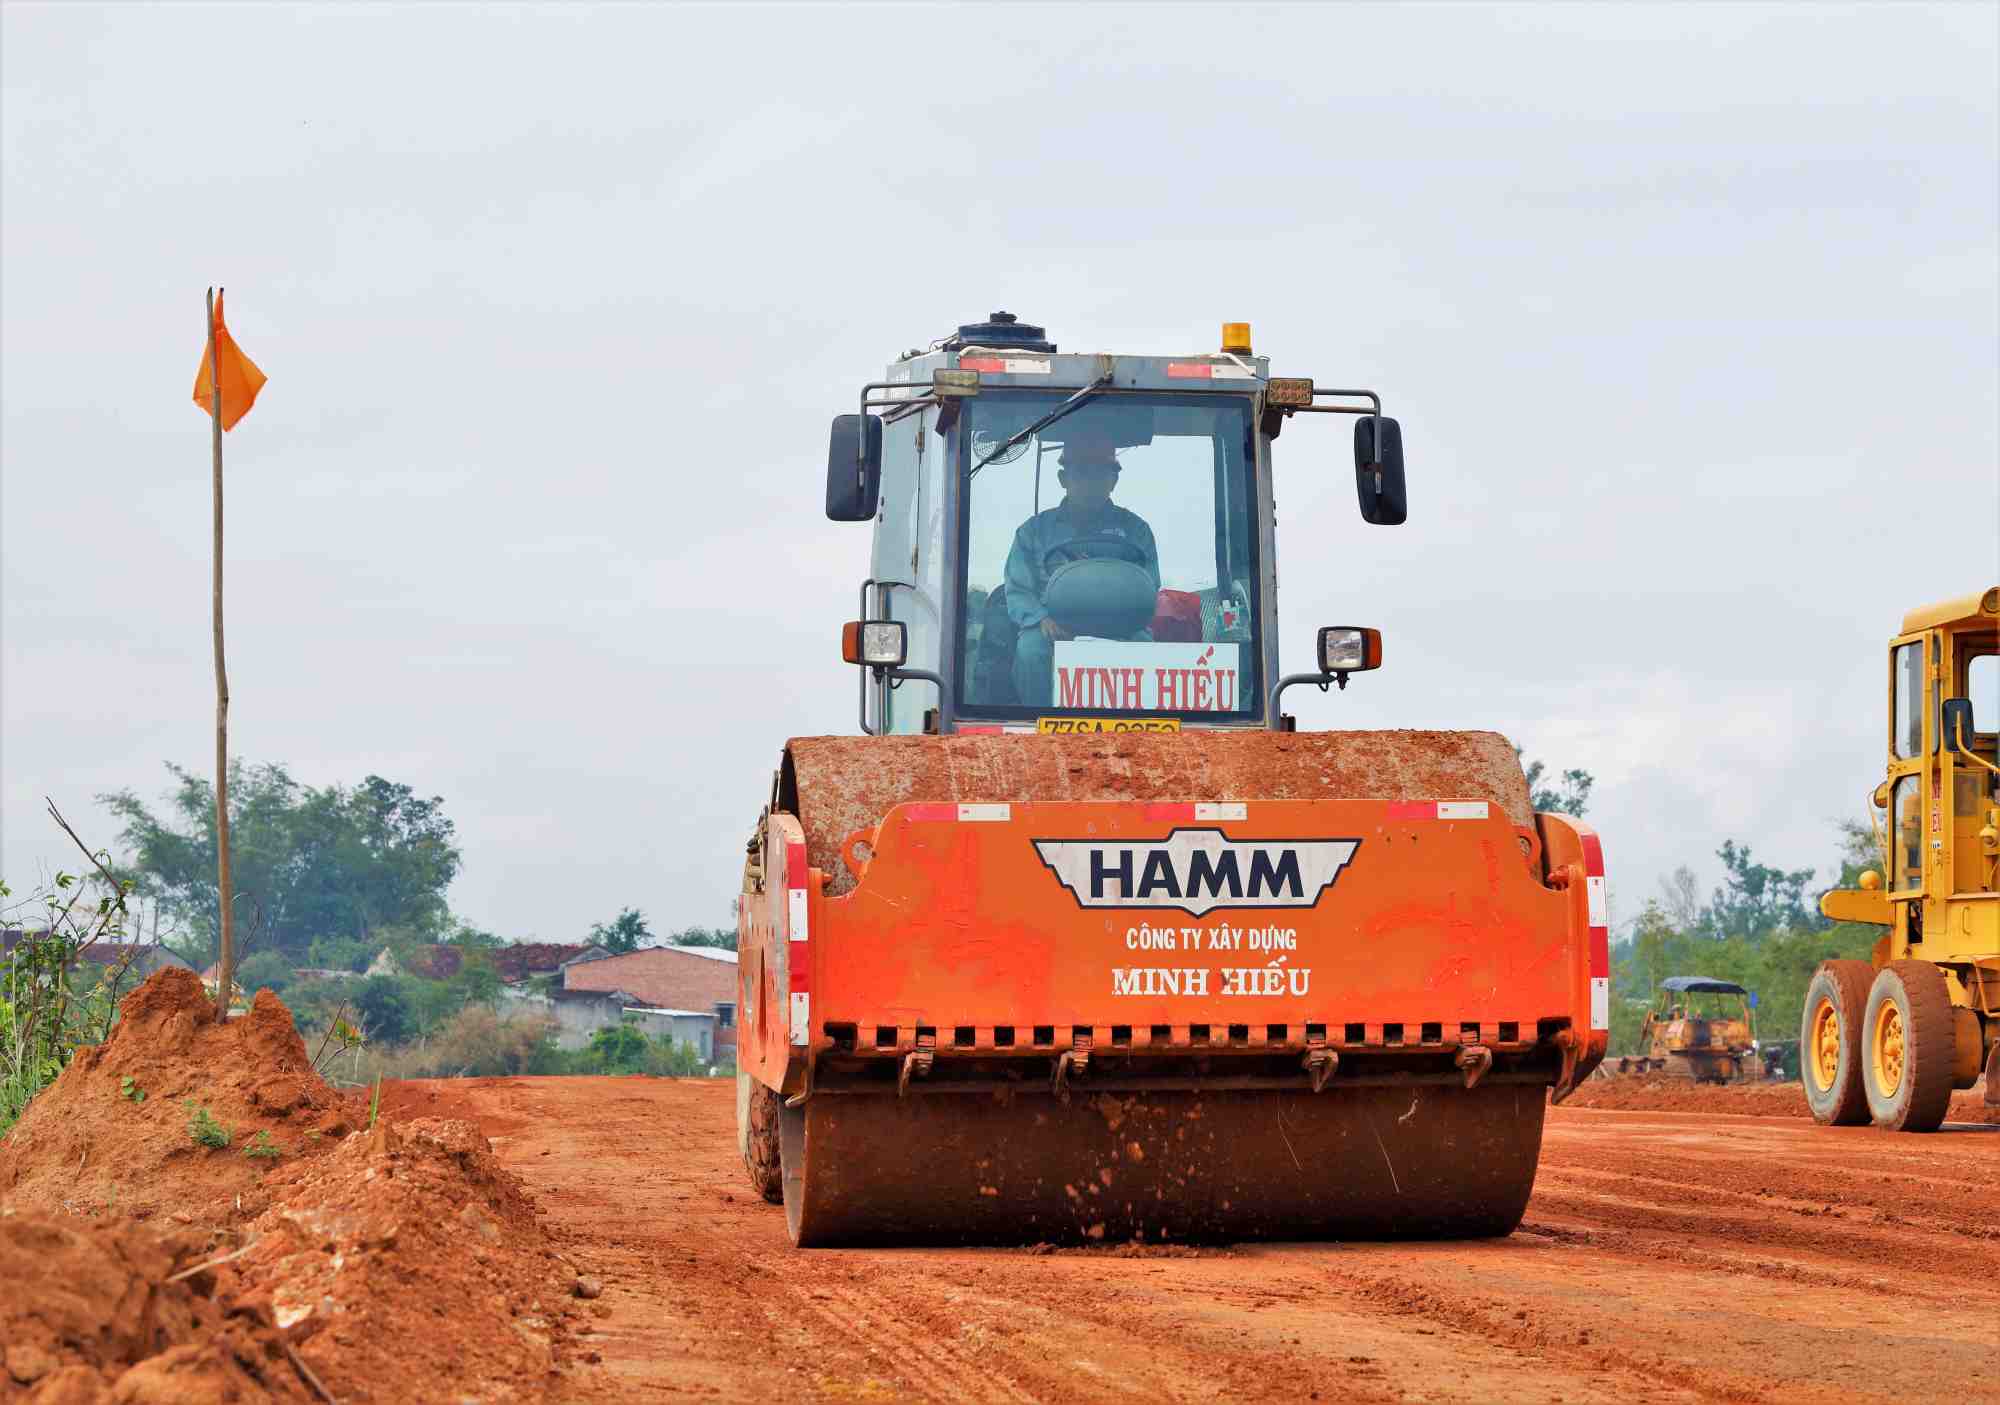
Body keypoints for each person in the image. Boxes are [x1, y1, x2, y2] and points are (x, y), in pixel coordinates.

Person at [1002, 431, 1160, 705]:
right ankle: (1038, 723)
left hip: (1121, 626)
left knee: (1146, 649)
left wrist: (1127, 620)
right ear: (1063, 479)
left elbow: (1149, 587)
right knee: (1030, 651)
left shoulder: (1137, 531)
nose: (1091, 483)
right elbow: (1018, 589)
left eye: (1100, 474)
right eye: (1082, 473)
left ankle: (1138, 724)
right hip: (1053, 628)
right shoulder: (1032, 532)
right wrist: (1041, 619)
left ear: (1114, 481)